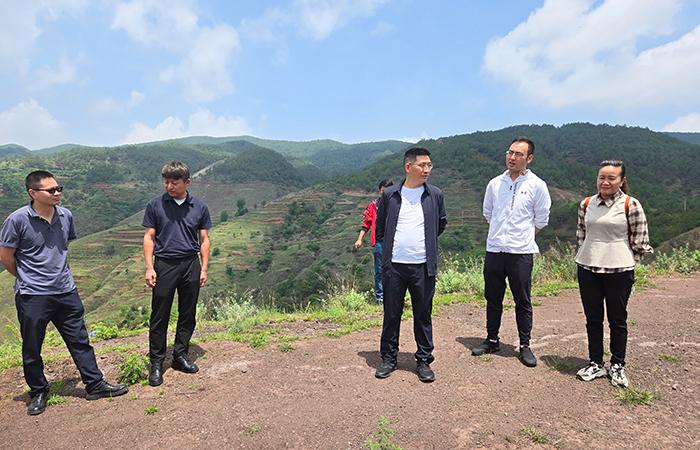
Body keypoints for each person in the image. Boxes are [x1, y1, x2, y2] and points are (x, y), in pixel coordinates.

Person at [0, 171, 128, 415]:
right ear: (33, 193)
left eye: (59, 188)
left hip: (66, 291)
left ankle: (94, 384)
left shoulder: (65, 215)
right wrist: (28, 277)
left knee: (80, 340)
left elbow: (62, 248)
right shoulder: (17, 220)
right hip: (33, 295)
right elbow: (6, 256)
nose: (57, 193)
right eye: (51, 190)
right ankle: (38, 391)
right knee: (32, 346)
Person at [472, 138, 551, 367]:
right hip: (495, 249)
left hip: (521, 253)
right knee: (492, 297)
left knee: (522, 300)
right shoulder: (495, 183)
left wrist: (523, 237)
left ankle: (525, 345)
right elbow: (488, 212)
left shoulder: (537, 185)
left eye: (518, 154)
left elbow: (542, 219)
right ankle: (492, 339)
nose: (512, 157)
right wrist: (501, 234)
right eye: (510, 152)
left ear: (529, 158)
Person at [574, 160, 653, 388]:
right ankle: (595, 362)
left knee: (617, 319)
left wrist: (627, 261)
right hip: (587, 267)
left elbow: (640, 241)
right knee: (593, 318)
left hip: (619, 270)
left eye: (611, 178)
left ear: (621, 180)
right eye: (602, 177)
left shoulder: (630, 204)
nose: (605, 182)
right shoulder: (586, 203)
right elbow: (581, 235)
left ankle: (617, 364)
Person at [374, 147, 447, 382]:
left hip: (423, 266)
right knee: (391, 314)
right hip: (394, 267)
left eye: (429, 165)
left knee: (423, 315)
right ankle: (388, 358)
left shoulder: (435, 195)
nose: (427, 169)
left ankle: (424, 360)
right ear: (408, 167)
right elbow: (380, 227)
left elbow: (441, 224)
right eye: (422, 165)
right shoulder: (390, 195)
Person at [143, 161, 211, 387]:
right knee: (159, 314)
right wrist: (150, 267)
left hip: (190, 263)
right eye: (166, 182)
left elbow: (204, 240)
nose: (169, 186)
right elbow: (149, 237)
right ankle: (156, 363)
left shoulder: (199, 207)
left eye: (174, 182)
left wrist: (204, 268)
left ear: (187, 182)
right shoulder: (155, 205)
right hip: (165, 264)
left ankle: (180, 355)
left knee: (188, 312)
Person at [354, 179, 394, 305]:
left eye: (387, 191)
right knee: (379, 271)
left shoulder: (397, 204)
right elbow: (366, 224)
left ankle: (394, 296)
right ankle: (380, 299)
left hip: (395, 242)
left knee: (396, 270)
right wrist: (360, 239)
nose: (385, 193)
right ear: (379, 191)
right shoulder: (374, 205)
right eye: (383, 191)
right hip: (379, 242)